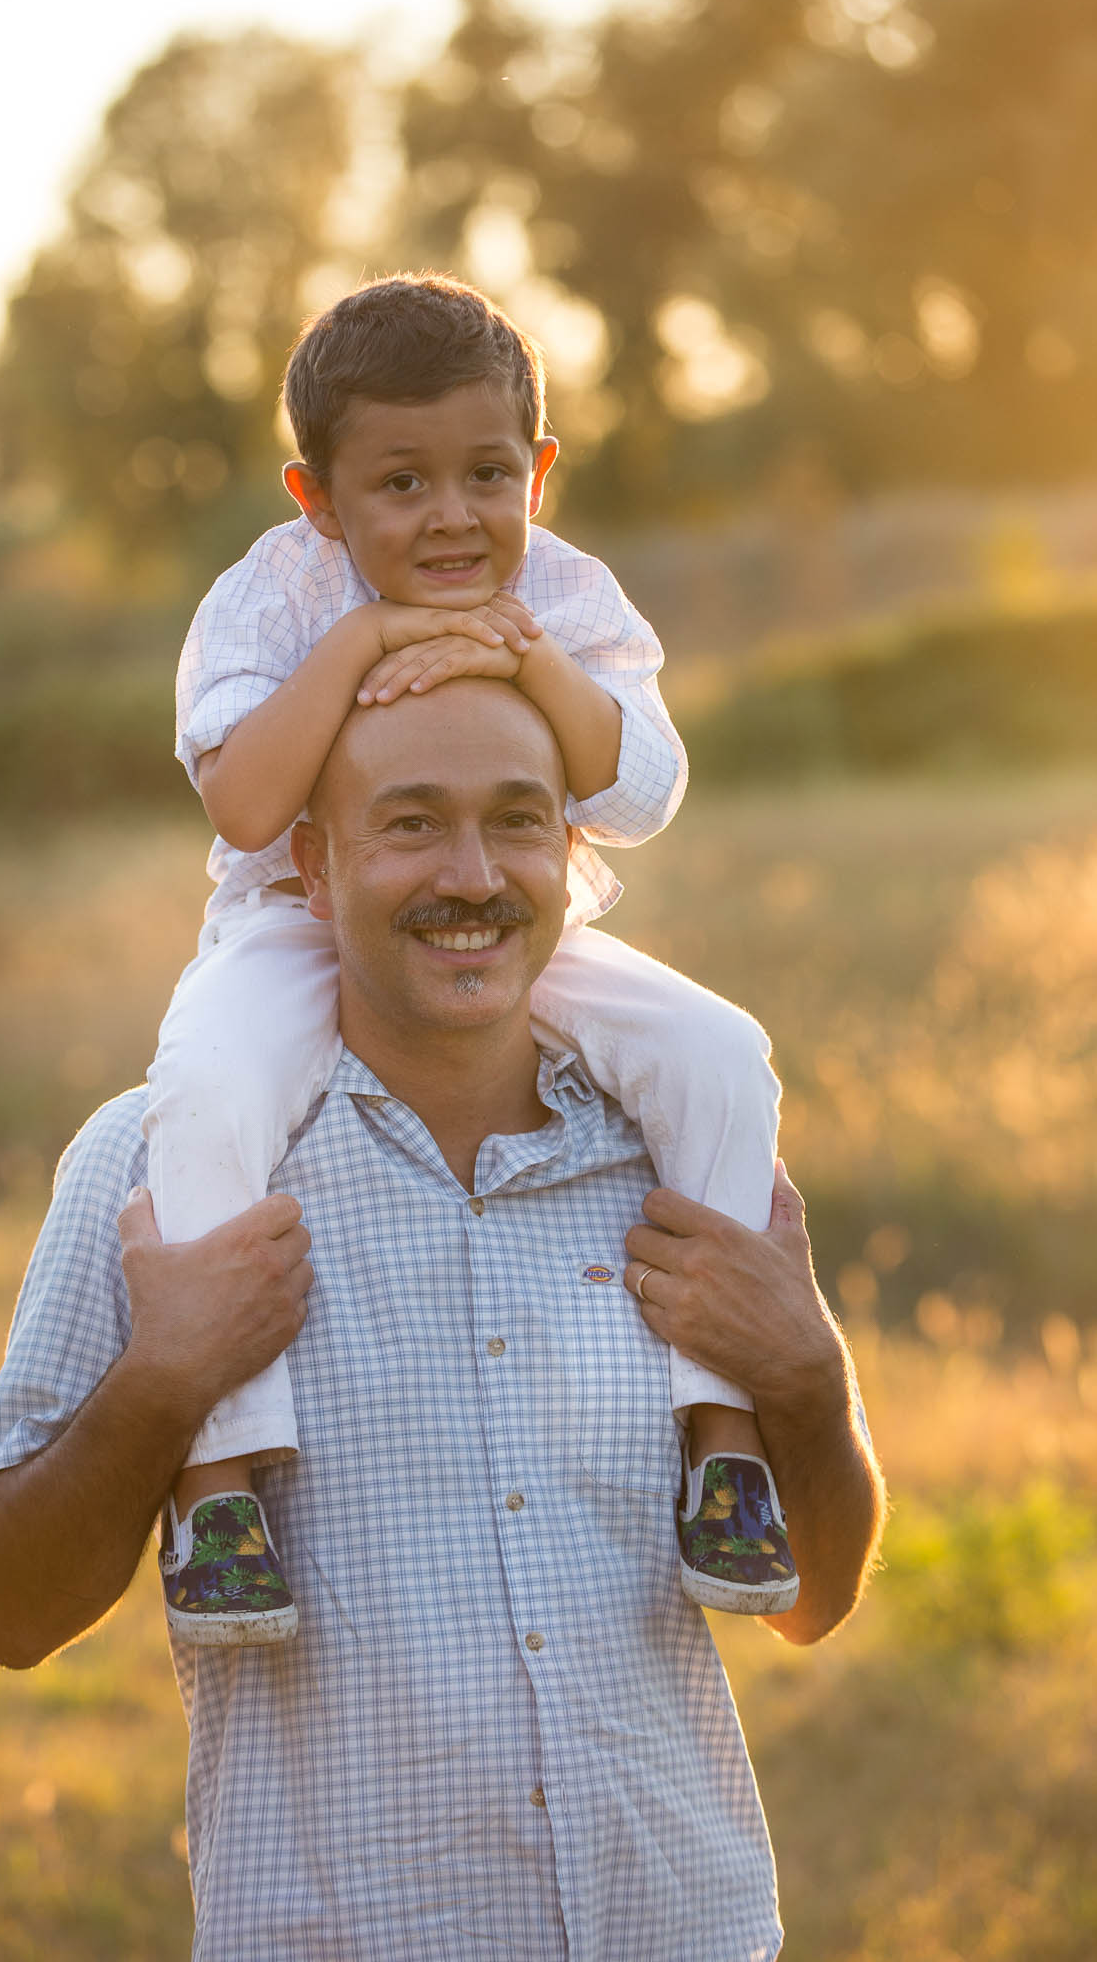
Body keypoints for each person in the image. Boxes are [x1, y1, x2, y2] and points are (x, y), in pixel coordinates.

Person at [0, 679, 886, 1962]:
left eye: (517, 820)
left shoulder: (672, 1167)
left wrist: (807, 1377)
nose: (472, 874)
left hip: (688, 1930)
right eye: (410, 824)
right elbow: (6, 1610)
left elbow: (814, 1598)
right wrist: (164, 1381)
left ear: (570, 850)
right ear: (314, 858)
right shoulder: (159, 1170)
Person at [144, 271, 792, 1646]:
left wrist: (531, 659)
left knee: (719, 1051)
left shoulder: (565, 592)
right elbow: (250, 806)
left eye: (487, 473)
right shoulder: (272, 594)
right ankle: (219, 1480)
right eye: (400, 484)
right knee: (204, 1085)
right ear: (316, 495)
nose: (451, 515)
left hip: (512, 919)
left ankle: (722, 1440)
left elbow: (640, 791)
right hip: (292, 923)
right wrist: (366, 639)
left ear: (538, 472)